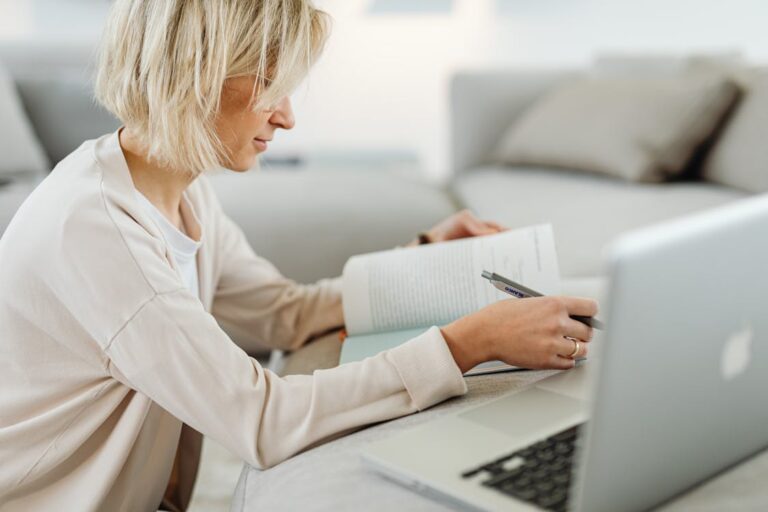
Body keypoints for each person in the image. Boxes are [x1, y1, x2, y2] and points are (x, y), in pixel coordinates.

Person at [0, 0, 597, 510]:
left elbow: (283, 313)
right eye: (269, 85)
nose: (287, 116)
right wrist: (470, 343)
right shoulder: (95, 231)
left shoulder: (178, 193)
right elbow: (261, 420)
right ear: (195, 72)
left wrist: (422, 256)